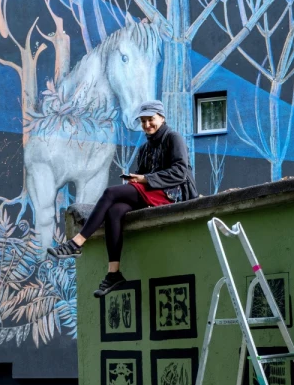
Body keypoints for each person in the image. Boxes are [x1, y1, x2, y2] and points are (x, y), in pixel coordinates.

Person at [47, 100, 198, 297]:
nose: (147, 124)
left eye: (150, 119)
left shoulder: (173, 138)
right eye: (143, 121)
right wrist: (137, 179)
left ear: (162, 118)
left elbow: (180, 172)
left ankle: (76, 243)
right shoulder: (145, 148)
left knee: (110, 193)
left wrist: (144, 179)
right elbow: (142, 179)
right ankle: (113, 273)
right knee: (114, 211)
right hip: (153, 193)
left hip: (173, 194)